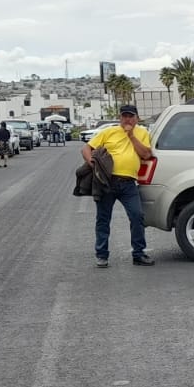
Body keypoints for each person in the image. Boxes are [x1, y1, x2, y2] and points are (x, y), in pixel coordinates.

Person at [84, 104, 155, 267]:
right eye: (124, 116)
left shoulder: (142, 133)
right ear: (120, 118)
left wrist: (131, 136)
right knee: (103, 219)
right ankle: (102, 255)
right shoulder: (108, 132)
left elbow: (145, 154)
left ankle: (138, 254)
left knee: (137, 216)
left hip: (129, 183)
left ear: (137, 118)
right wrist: (92, 163)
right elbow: (87, 148)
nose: (127, 119)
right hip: (107, 182)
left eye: (131, 116)